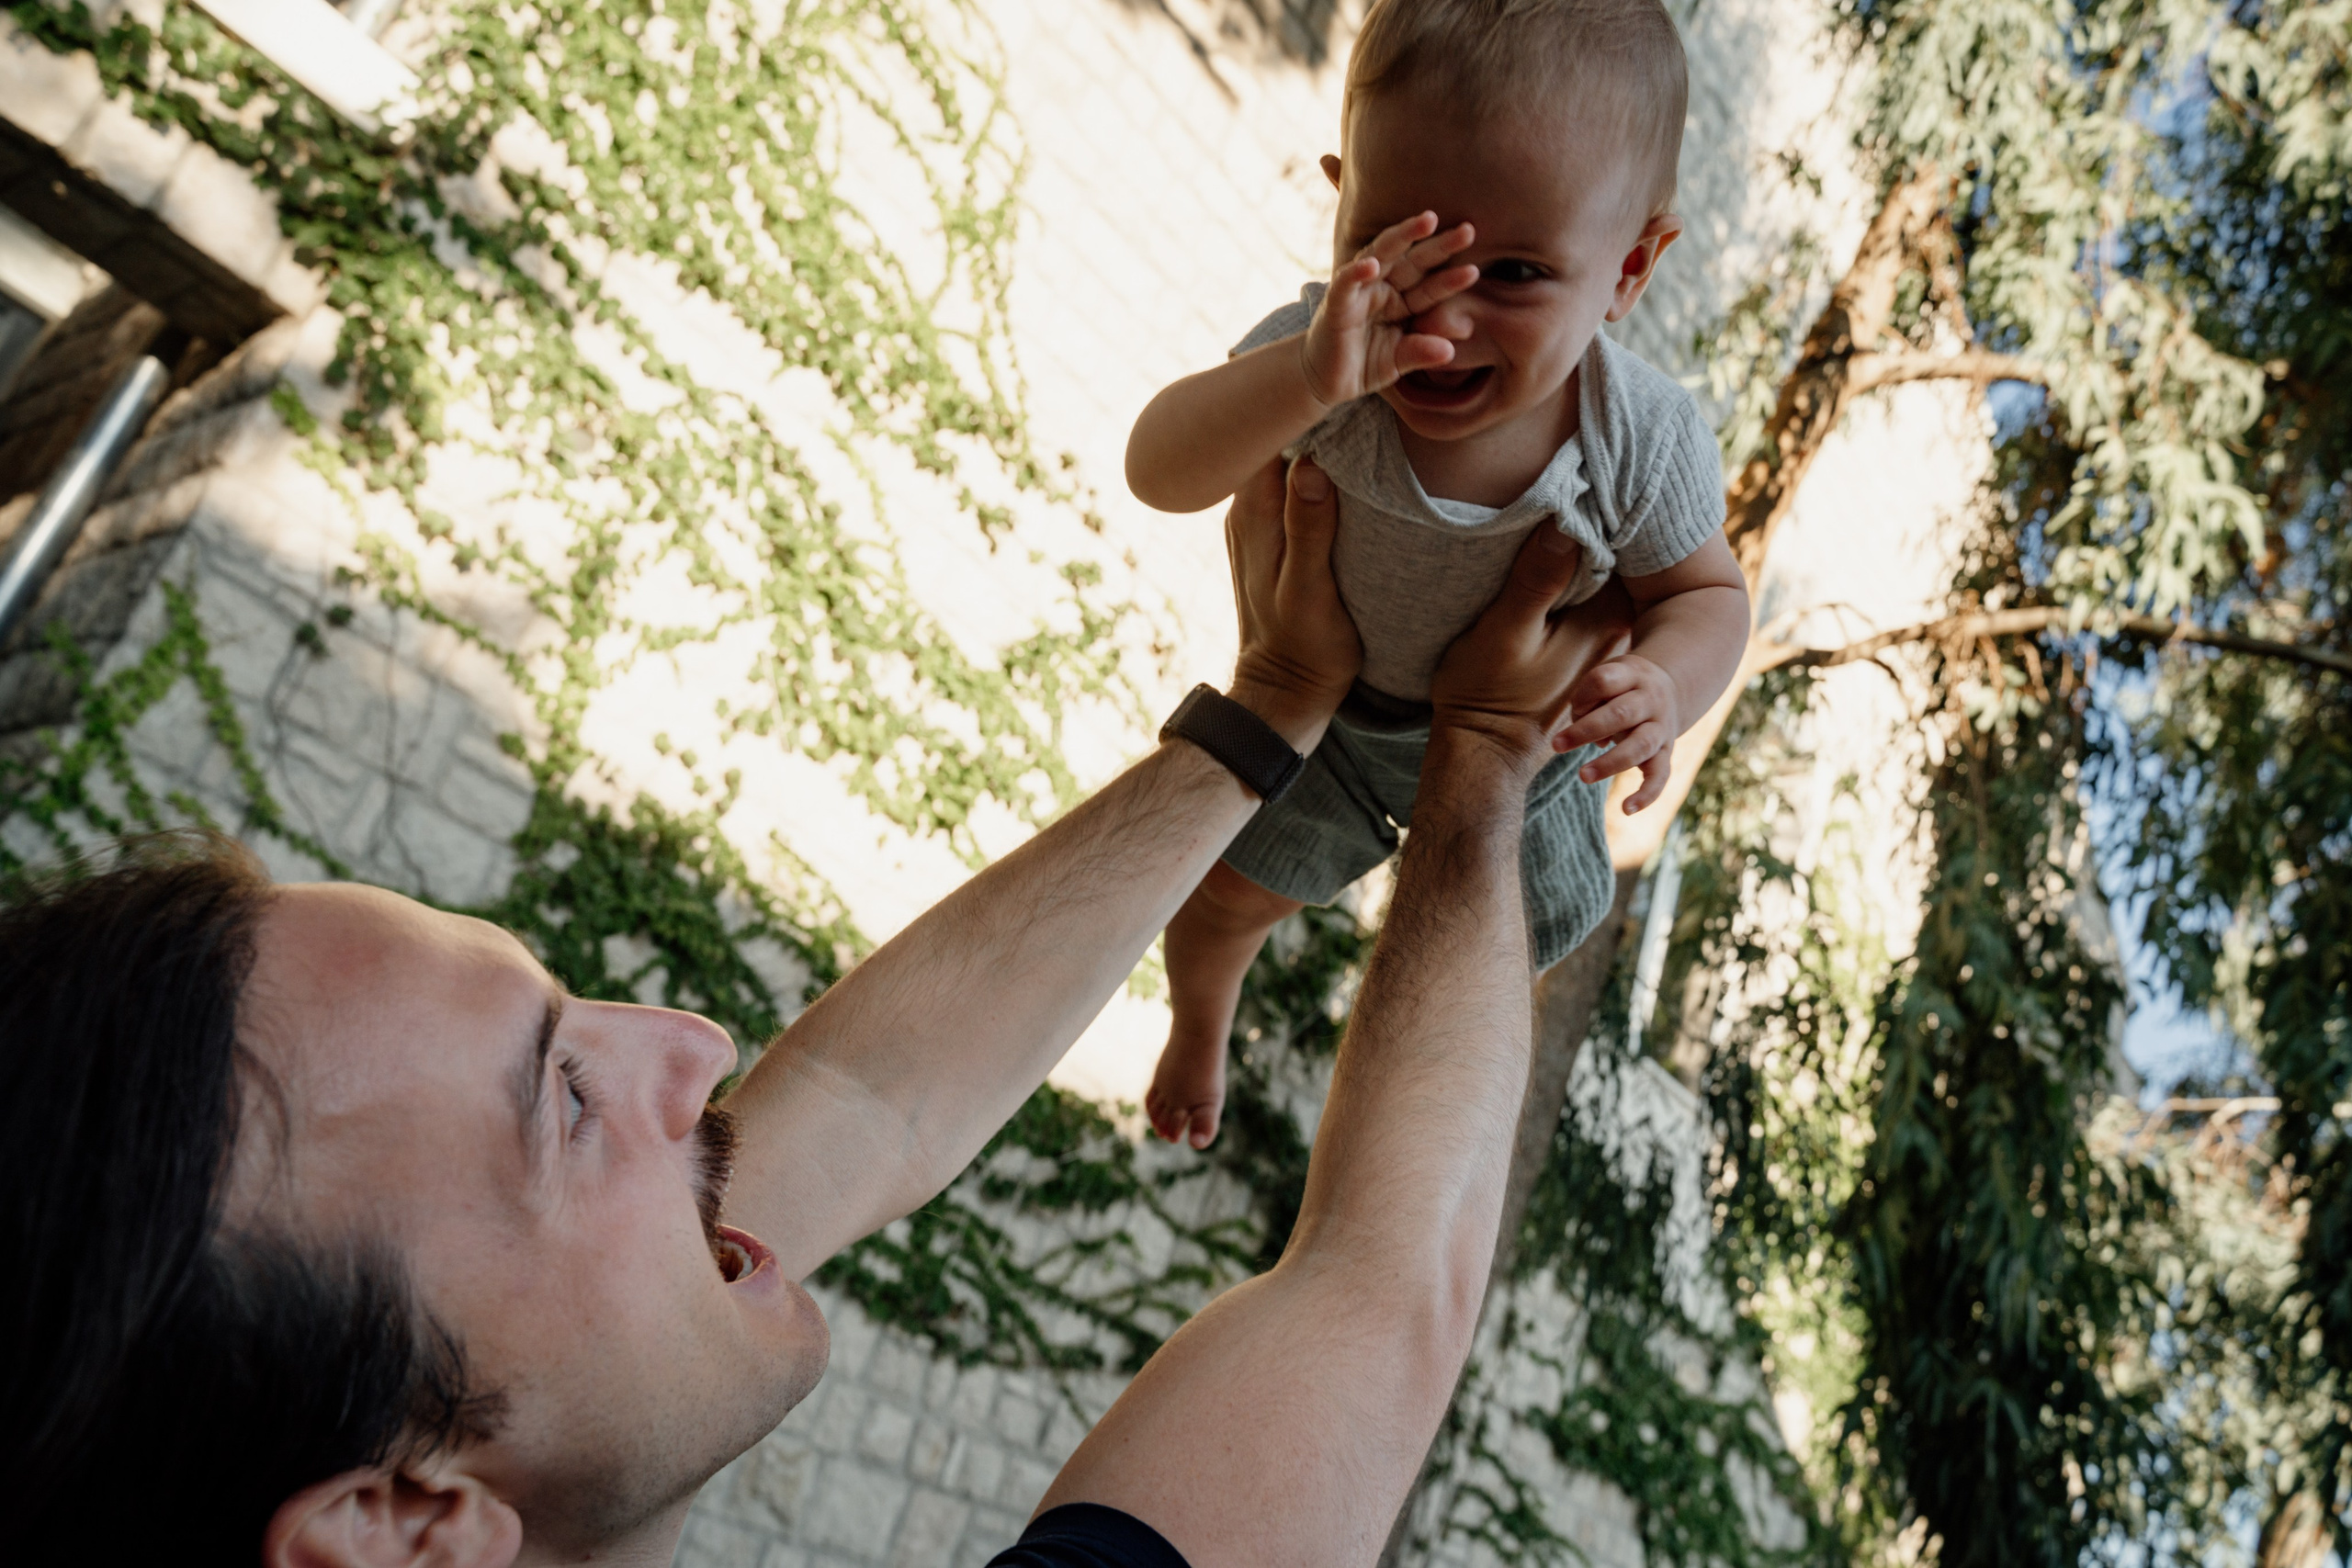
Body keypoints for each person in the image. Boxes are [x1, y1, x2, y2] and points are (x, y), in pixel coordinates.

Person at [2, 453, 1635, 1566]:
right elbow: (1378, 1299)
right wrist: (1483, 756)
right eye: (566, 1103)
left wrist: (1270, 711)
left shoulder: (520, 1367)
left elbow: (865, 1106)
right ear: (404, 1521)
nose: (695, 1048)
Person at [1125, 0, 1752, 1150]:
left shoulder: (1637, 438)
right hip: (1330, 734)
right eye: (1399, 255)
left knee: (1475, 970)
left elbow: (1706, 598)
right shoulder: (1317, 353)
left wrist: (1666, 683)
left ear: (1630, 267)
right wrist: (1301, 385)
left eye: (1513, 273)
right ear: (1339, 199)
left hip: (1529, 771)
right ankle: (1201, 1019)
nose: (1442, 323)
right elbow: (1159, 470)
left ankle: (1407, 1145)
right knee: (1216, 900)